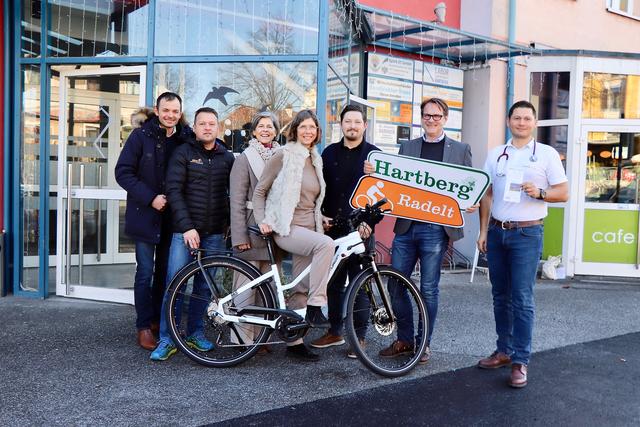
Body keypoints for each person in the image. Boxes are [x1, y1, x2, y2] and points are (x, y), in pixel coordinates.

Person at [368, 97, 475, 365]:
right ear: (421, 117)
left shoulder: (460, 149)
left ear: (445, 119)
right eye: (427, 115)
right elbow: (394, 180)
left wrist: (468, 203)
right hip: (406, 227)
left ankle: (423, 343)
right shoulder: (408, 146)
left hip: (435, 230)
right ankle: (405, 340)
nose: (431, 120)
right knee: (396, 285)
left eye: (436, 116)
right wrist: (373, 171)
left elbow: (468, 185)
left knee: (428, 289)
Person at [476, 100, 568, 388]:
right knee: (499, 295)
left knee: (522, 299)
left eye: (527, 118)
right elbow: (486, 194)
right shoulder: (496, 155)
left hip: (527, 235)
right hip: (497, 231)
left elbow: (563, 192)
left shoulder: (546, 154)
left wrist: (541, 193)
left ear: (534, 123)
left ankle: (520, 361)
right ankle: (503, 350)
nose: (522, 123)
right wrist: (482, 232)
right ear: (508, 121)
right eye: (517, 118)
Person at [150, 107, 235, 361]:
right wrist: (187, 227)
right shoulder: (183, 153)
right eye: (202, 124)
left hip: (215, 234)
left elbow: (234, 194)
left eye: (212, 124)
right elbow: (174, 192)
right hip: (184, 233)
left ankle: (195, 333)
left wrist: (229, 226)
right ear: (195, 128)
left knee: (204, 287)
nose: (207, 128)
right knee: (174, 286)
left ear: (217, 127)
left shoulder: (227, 158)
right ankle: (167, 339)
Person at [252, 109, 334, 362]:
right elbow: (260, 192)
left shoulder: (315, 158)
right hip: (286, 228)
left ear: (318, 132)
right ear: (295, 130)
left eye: (313, 128)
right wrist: (263, 220)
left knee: (302, 286)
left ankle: (295, 342)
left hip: (310, 228)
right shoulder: (283, 155)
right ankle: (316, 306)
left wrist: (320, 218)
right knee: (326, 246)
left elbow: (309, 201)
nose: (308, 132)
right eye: (304, 127)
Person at [115, 92, 192, 351]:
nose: (171, 115)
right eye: (166, 110)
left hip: (172, 219)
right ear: (157, 111)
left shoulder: (185, 138)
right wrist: (150, 198)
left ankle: (160, 321)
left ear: (180, 113)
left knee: (164, 273)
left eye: (175, 111)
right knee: (145, 273)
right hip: (145, 216)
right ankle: (143, 326)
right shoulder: (140, 137)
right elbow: (123, 172)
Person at [310, 104, 380, 358]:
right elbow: (319, 190)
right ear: (341, 125)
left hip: (360, 230)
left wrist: (369, 224)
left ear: (364, 125)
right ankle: (335, 331)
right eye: (347, 122)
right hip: (333, 230)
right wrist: (321, 216)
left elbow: (384, 196)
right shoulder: (328, 153)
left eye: (357, 122)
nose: (352, 126)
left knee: (360, 284)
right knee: (333, 283)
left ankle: (359, 337)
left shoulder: (374, 156)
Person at [229, 111, 282, 353]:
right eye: (261, 126)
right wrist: (239, 237)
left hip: (274, 231)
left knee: (268, 287)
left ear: (276, 131)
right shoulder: (244, 158)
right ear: (253, 131)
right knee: (245, 287)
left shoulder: (283, 156)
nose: (265, 129)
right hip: (250, 229)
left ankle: (261, 337)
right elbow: (237, 201)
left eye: (270, 126)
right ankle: (242, 339)